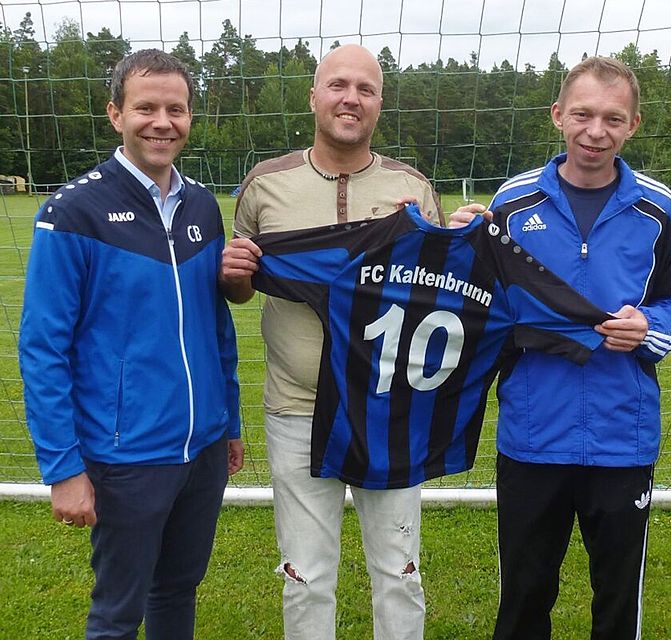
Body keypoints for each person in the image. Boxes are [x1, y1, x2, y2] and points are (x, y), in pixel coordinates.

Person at [451, 56, 671, 639]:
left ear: (633, 125)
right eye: (583, 115)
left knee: (617, 597)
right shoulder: (513, 203)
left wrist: (648, 328)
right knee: (525, 594)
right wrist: (458, 244)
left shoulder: (657, 208)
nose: (596, 131)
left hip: (623, 436)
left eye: (613, 119)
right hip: (533, 433)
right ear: (558, 114)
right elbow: (476, 303)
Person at [18, 49, 243, 639]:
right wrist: (63, 468)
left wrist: (229, 420)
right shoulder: (73, 212)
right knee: (118, 613)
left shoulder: (202, 206)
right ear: (116, 114)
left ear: (190, 117)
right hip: (126, 456)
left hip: (203, 448)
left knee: (177, 590)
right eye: (146, 108)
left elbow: (216, 325)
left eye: (176, 109)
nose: (161, 122)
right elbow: (42, 348)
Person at [219, 44, 441, 640]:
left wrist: (459, 237)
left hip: (387, 407)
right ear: (314, 95)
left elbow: (439, 291)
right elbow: (241, 288)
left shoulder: (411, 188)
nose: (351, 99)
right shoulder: (265, 185)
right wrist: (235, 275)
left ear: (380, 103)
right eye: (338, 85)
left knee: (399, 570)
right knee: (306, 574)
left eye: (366, 89)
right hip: (297, 408)